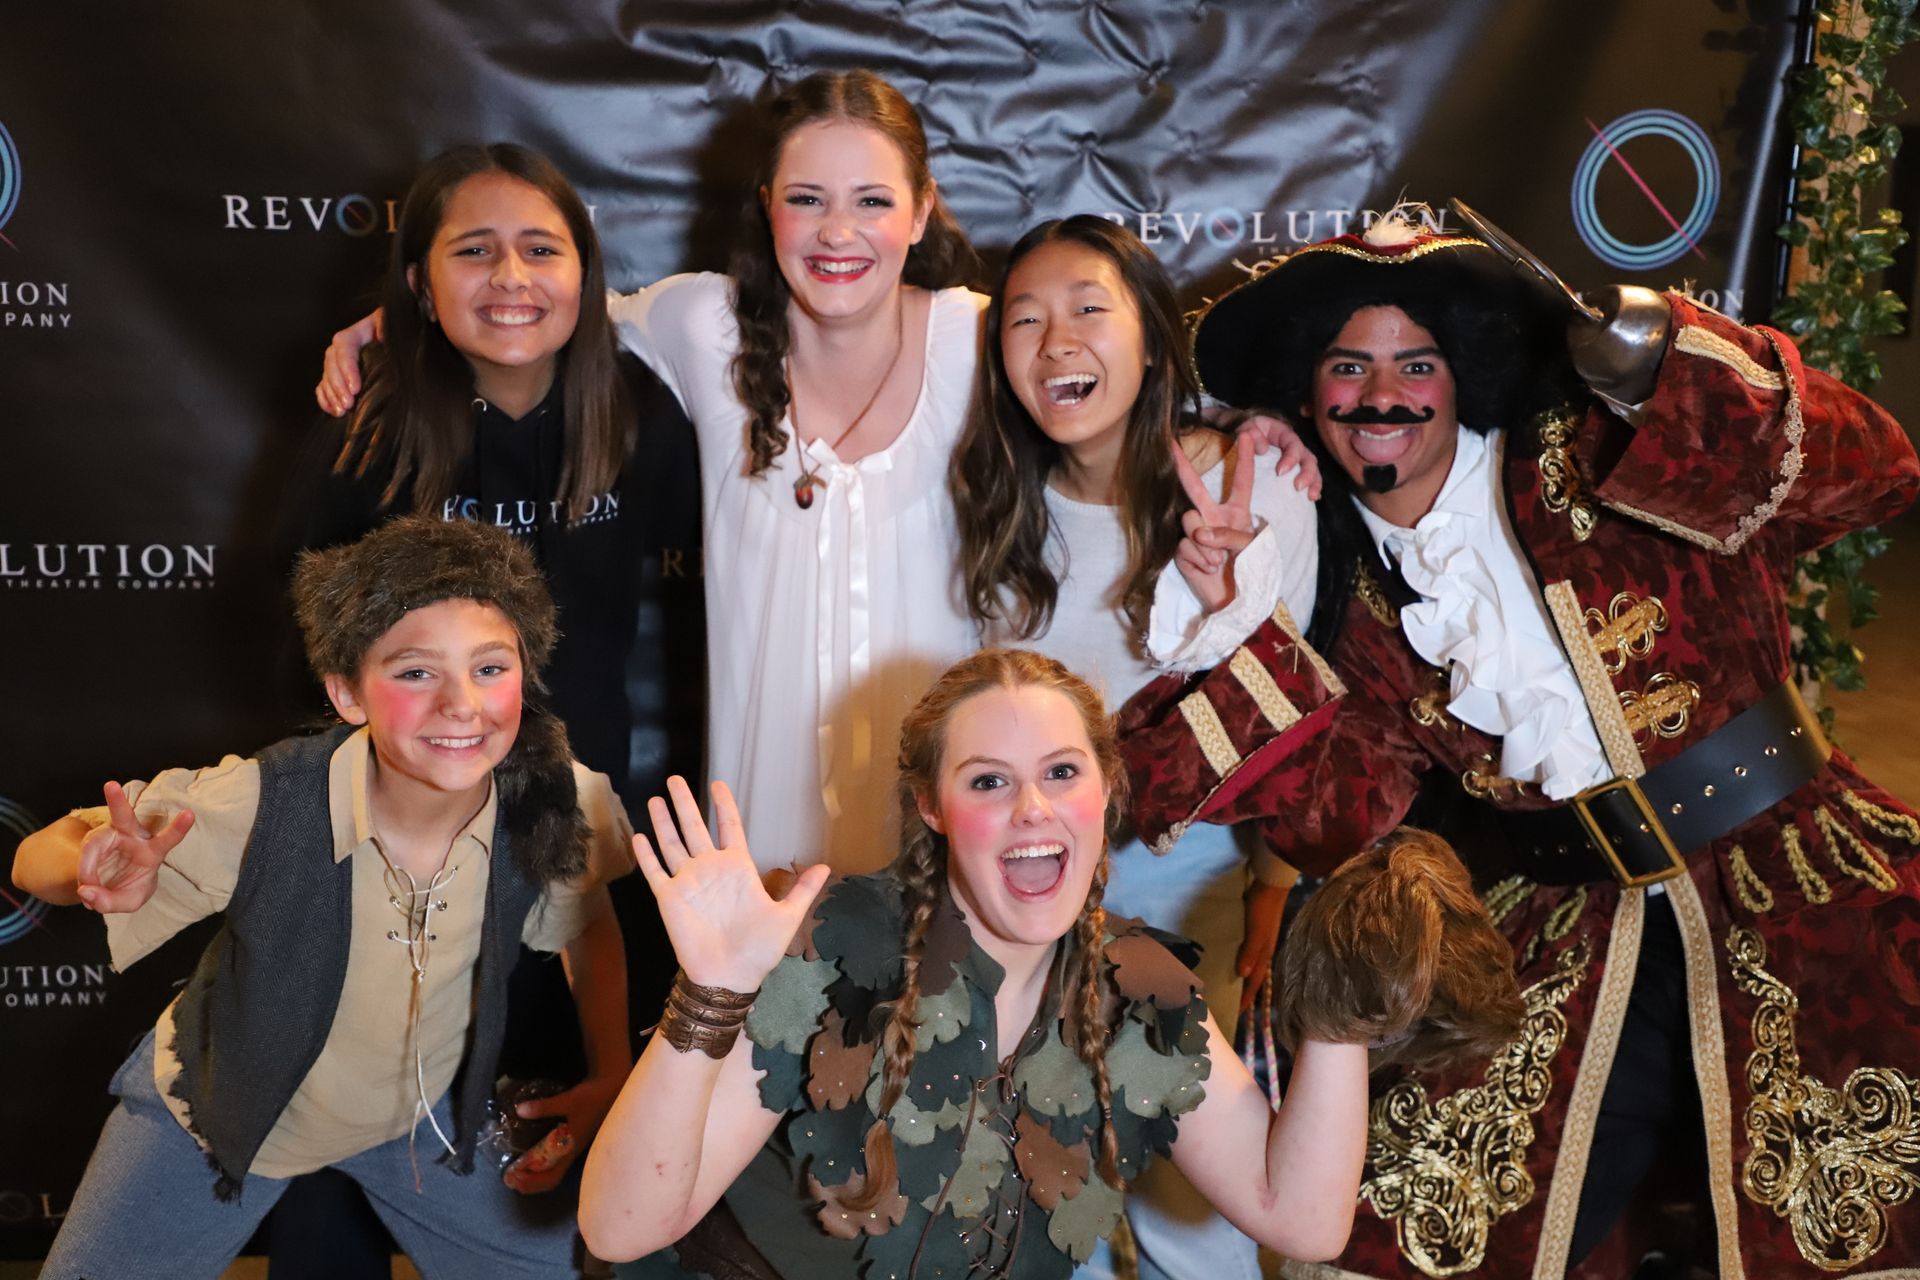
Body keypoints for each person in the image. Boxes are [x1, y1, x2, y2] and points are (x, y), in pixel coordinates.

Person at [1120, 205, 1920, 1278]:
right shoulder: (1345, 597)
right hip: (1562, 927)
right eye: (1346, 367)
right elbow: (1333, 820)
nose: (1382, 393)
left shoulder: (1597, 444)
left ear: (1465, 376)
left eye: (1417, 362)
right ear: (1310, 398)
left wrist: (1661, 368)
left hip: (1798, 879)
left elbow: (1879, 471)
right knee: (1406, 1231)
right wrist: (1232, 618)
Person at [576, 647, 1525, 1279]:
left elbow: (1303, 1219)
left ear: (1106, 793)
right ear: (933, 808)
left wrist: (1336, 1013)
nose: (1032, 805)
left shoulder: (1141, 991)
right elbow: (620, 1229)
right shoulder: (838, 942)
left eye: (1061, 773)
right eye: (989, 780)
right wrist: (713, 994)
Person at [317, 71, 985, 876]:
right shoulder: (705, 325)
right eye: (807, 199)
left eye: (872, 201)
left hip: (953, 821)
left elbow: (1108, 397)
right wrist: (398, 312)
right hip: (758, 838)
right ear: (767, 204)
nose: (837, 232)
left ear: (921, 210)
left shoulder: (980, 342)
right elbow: (543, 306)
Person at [14, 517, 636, 1280]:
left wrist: (611, 1075)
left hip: (414, 1112)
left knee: (582, 1264)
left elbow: (590, 925)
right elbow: (28, 858)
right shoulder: (261, 802)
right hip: (227, 1103)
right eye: (415, 672)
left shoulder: (562, 800)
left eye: (488, 668)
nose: (461, 705)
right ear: (347, 692)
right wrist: (86, 861)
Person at [951, 214, 1320, 1279]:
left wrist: (1228, 609)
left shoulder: (1248, 485)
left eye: (1088, 310)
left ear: (1153, 339)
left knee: (1192, 1217)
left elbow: (1291, 731)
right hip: (1024, 891)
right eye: (1024, 319)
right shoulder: (999, 509)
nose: (1056, 340)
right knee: (1032, 1202)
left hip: (1189, 881)